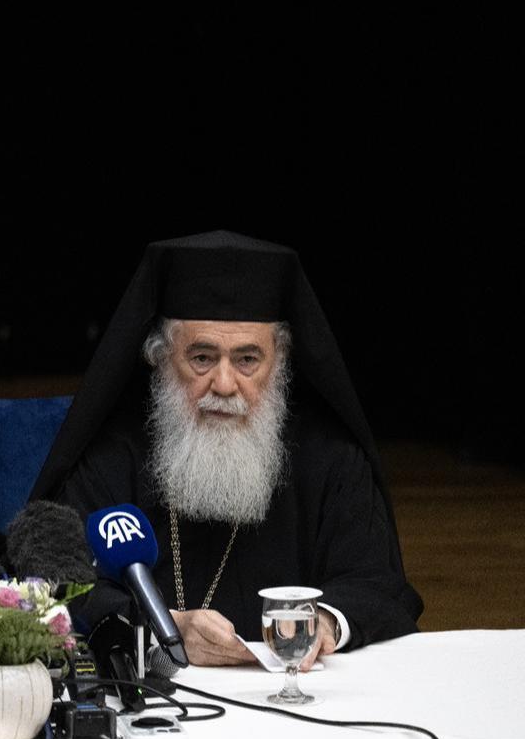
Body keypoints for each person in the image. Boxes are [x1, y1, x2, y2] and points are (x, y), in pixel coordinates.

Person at [32, 230, 422, 668]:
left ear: (280, 360)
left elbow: (378, 583)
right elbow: (54, 581)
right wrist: (163, 626)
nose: (223, 384)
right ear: (161, 358)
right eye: (201, 358)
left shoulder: (329, 458)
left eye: (247, 360)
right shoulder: (111, 456)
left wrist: (326, 623)